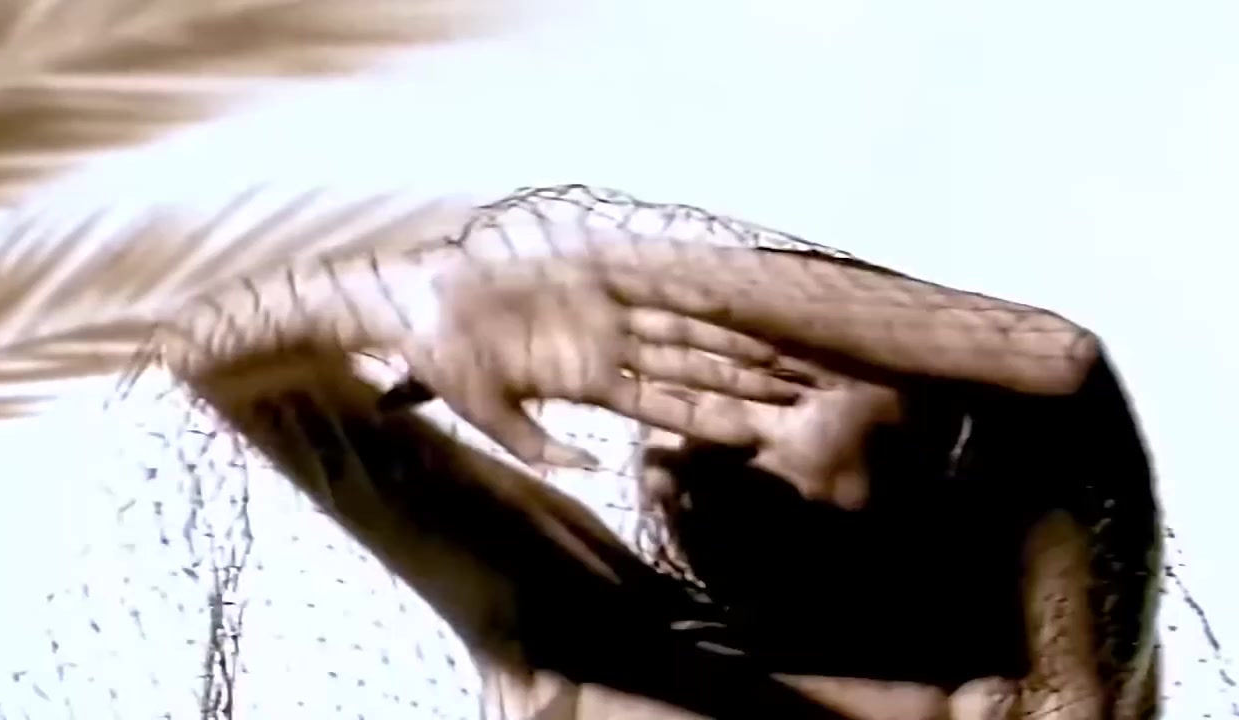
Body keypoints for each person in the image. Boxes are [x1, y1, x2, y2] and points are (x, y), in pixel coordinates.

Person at [167, 186, 1160, 718]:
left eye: (773, 378)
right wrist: (403, 301)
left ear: (943, 471)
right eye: (656, 378)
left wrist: (613, 271)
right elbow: (218, 350)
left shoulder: (1027, 703)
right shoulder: (575, 627)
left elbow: (1054, 366)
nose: (697, 416)